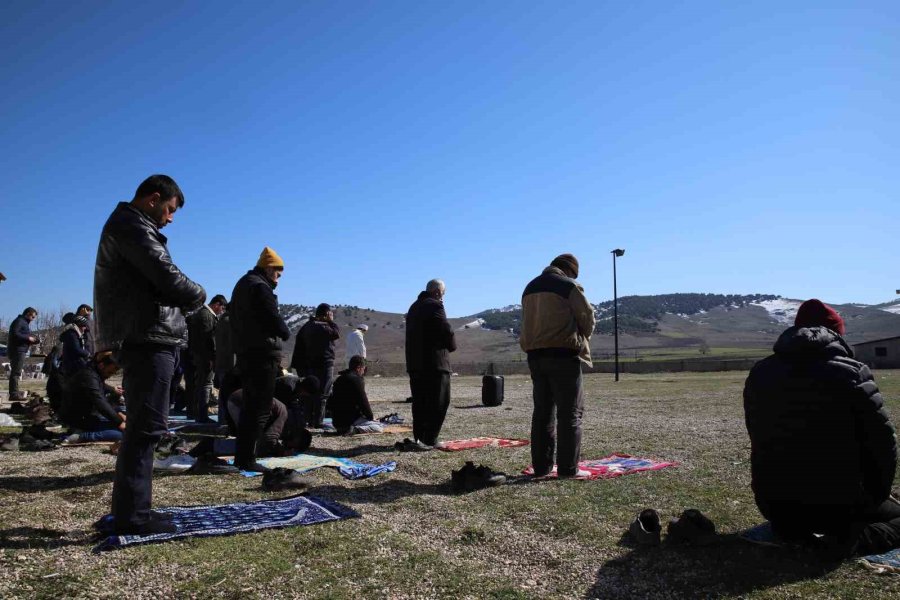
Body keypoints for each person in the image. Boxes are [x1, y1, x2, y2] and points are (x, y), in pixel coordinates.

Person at [744, 299, 900, 557]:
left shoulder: (760, 373)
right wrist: (877, 494)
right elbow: (883, 443)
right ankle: (847, 543)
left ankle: (796, 532)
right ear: (838, 333)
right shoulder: (853, 373)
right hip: (840, 506)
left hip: (776, 506)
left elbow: (758, 439)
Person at [94, 174, 206, 535]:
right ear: (153, 199)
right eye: (170, 209)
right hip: (148, 337)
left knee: (143, 429)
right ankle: (134, 517)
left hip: (144, 335)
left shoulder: (128, 225)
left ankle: (130, 512)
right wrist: (198, 293)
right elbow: (167, 277)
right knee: (145, 431)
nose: (170, 218)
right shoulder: (133, 227)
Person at [519, 253, 595, 478]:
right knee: (570, 413)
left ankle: (541, 468)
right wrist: (583, 336)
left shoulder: (529, 287)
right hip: (563, 355)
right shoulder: (569, 285)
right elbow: (587, 316)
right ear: (570, 270)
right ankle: (568, 469)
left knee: (542, 413)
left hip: (535, 356)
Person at [229, 247, 291, 472]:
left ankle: (243, 456)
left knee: (251, 406)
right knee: (260, 407)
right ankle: (248, 458)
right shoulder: (260, 287)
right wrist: (284, 331)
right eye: (277, 271)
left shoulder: (243, 284)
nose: (279, 277)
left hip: (246, 352)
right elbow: (271, 316)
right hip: (261, 354)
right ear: (267, 268)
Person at [405, 279, 456, 449]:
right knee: (439, 401)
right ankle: (430, 438)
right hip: (434, 363)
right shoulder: (435, 305)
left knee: (420, 402)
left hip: (415, 363)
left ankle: (419, 437)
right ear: (437, 292)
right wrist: (451, 346)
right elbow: (445, 329)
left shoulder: (413, 307)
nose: (443, 297)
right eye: (443, 293)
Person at [225, 375, 318, 456]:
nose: (290, 447)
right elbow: (269, 439)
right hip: (242, 402)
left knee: (249, 439)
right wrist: (281, 451)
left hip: (242, 398)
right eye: (293, 446)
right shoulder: (284, 408)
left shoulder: (283, 410)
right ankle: (212, 446)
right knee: (249, 445)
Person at [291, 303, 341, 428]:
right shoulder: (323, 326)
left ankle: (307, 420)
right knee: (323, 394)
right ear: (326, 314)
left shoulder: (307, 325)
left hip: (308, 364)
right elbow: (336, 333)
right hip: (324, 363)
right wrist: (331, 321)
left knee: (310, 393)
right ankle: (318, 422)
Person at [60, 351, 127, 443]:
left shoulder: (93, 373)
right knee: (123, 433)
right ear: (101, 365)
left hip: (87, 414)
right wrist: (119, 422)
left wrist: (119, 413)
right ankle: (82, 435)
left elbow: (102, 392)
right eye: (109, 372)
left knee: (123, 423)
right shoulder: (89, 377)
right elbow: (100, 401)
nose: (110, 375)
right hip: (78, 418)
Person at [187, 294, 227, 422]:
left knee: (200, 384)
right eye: (222, 308)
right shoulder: (206, 316)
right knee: (205, 384)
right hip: (204, 357)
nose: (222, 311)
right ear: (216, 305)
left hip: (200, 355)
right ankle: (202, 415)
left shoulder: (203, 314)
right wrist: (211, 357)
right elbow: (208, 339)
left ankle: (196, 412)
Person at [329, 355, 383, 435]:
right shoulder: (356, 380)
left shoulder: (339, 379)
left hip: (336, 422)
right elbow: (363, 403)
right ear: (359, 368)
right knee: (379, 427)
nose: (363, 372)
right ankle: (354, 430)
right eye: (363, 369)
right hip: (350, 421)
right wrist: (370, 418)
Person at [7, 307, 38, 399]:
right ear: (28, 314)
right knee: (16, 372)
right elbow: (15, 334)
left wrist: (33, 340)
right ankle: (13, 394)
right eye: (32, 317)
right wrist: (28, 338)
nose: (33, 319)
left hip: (20, 349)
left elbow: (20, 335)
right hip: (17, 350)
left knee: (16, 372)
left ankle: (14, 392)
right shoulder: (20, 321)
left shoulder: (23, 322)